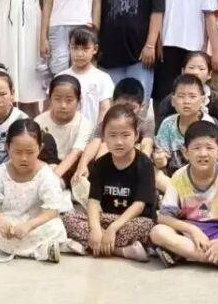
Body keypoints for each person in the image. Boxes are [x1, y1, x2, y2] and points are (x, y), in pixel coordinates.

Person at [150, 120, 218, 277]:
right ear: (186, 152)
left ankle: (184, 254)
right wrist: (192, 230)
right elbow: (164, 217)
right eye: (196, 148)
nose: (203, 153)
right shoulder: (179, 177)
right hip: (189, 232)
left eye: (209, 148)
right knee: (157, 232)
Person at [62, 104, 156, 260]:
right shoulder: (100, 164)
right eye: (112, 135)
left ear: (136, 135)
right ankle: (122, 251)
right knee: (68, 219)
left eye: (125, 135)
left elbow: (139, 205)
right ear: (104, 137)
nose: (119, 142)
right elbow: (93, 201)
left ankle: (92, 246)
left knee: (147, 227)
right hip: (106, 218)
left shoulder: (144, 164)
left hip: (130, 220)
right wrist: (95, 229)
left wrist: (113, 229)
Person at [0, 120, 71, 263]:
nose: (24, 158)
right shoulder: (0, 172)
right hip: (7, 226)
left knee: (56, 226)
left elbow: (51, 211)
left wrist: (29, 225)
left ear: (40, 148)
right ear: (7, 147)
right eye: (18, 152)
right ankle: (39, 251)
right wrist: (0, 222)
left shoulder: (45, 173)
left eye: (30, 152)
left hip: (33, 226)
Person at [36, 75, 94, 183]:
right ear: (50, 99)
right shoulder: (39, 122)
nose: (63, 105)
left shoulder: (84, 124)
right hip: (44, 170)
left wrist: (51, 180)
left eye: (69, 100)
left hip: (71, 172)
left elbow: (75, 153)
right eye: (57, 99)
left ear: (79, 100)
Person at [154, 73, 217, 174]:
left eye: (192, 96)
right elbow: (161, 154)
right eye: (181, 96)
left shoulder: (208, 124)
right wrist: (160, 159)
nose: (186, 101)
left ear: (202, 101)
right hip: (172, 178)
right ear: (173, 101)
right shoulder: (167, 124)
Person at [154, 51, 218, 131]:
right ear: (183, 71)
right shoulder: (172, 99)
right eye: (191, 68)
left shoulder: (214, 99)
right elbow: (160, 126)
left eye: (201, 69)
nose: (195, 72)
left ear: (209, 74)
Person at [59, 27, 115, 127]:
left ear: (95, 49)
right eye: (75, 48)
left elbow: (104, 109)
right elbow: (53, 109)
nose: (79, 54)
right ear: (69, 48)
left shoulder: (103, 78)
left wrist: (96, 134)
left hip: (92, 133)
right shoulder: (60, 78)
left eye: (85, 49)